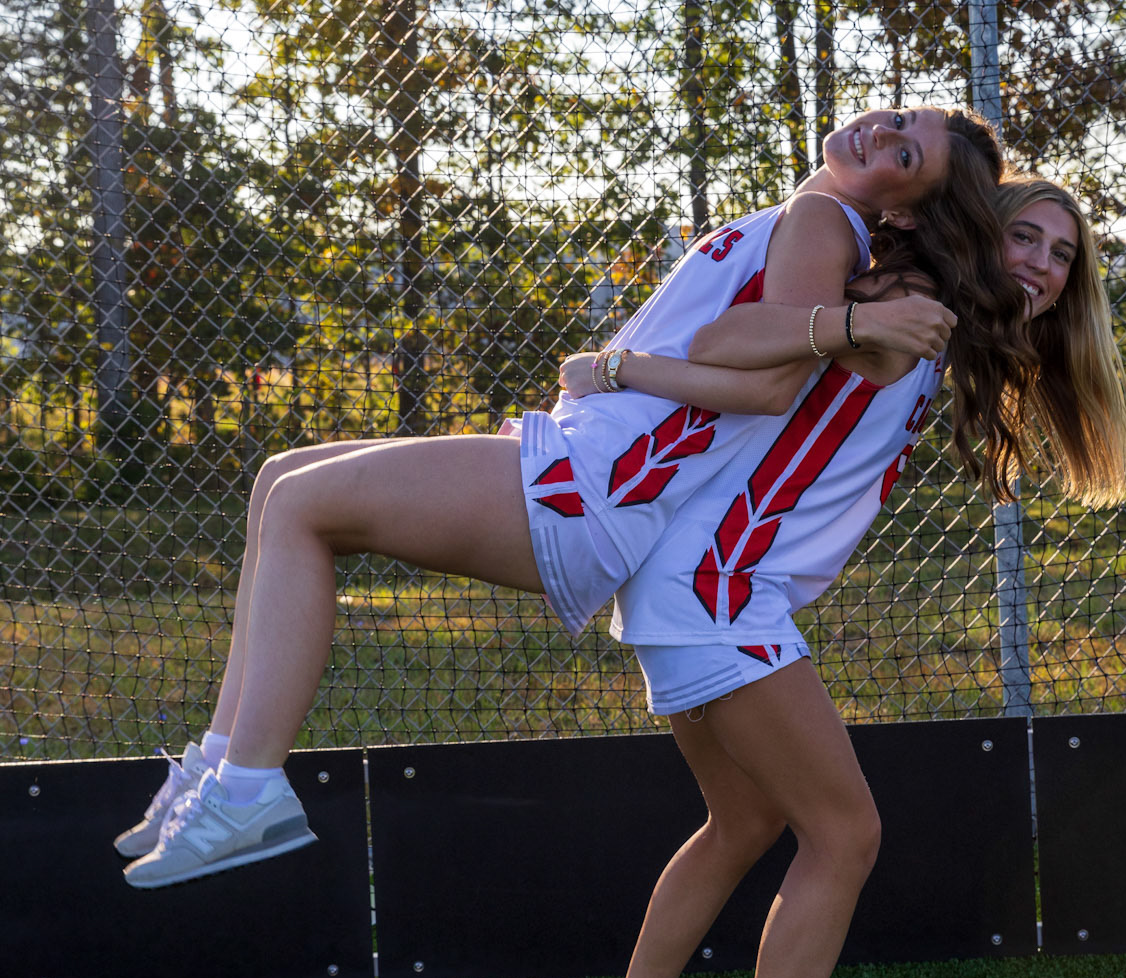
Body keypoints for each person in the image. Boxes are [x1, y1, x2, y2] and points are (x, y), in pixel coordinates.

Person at [115, 106, 1001, 888]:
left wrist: (616, 370)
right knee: (279, 480)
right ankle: (217, 769)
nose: (881, 134)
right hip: (586, 466)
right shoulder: (812, 218)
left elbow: (770, 386)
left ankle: (247, 790)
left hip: (596, 484)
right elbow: (758, 356)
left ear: (901, 209)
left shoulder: (822, 218)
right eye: (898, 119)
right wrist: (618, 372)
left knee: (303, 506)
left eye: (905, 154)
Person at [559, 176, 1126, 978]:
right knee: (844, 831)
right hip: (717, 587)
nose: (1042, 265)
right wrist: (619, 369)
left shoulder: (938, 325)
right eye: (1025, 237)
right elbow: (757, 334)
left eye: (1061, 255)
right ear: (976, 236)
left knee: (743, 819)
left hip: (694, 582)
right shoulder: (906, 301)